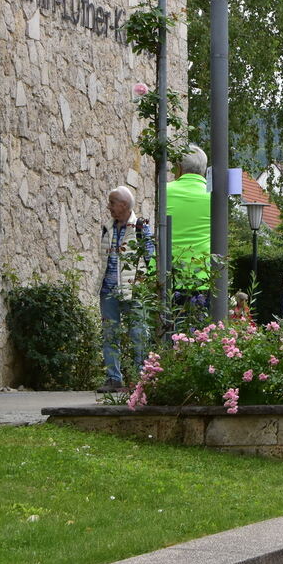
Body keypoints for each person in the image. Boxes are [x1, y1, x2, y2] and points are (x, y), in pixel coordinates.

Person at [97, 186, 154, 393]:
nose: (109, 206)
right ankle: (114, 379)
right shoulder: (107, 227)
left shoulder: (140, 228)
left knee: (138, 333)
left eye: (112, 202)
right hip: (108, 290)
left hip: (133, 290)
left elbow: (150, 259)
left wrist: (146, 285)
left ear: (124, 205)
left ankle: (140, 379)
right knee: (110, 334)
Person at [165, 145, 211, 297]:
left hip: (167, 275)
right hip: (202, 277)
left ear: (179, 168)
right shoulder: (213, 196)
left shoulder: (164, 192)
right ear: (204, 169)